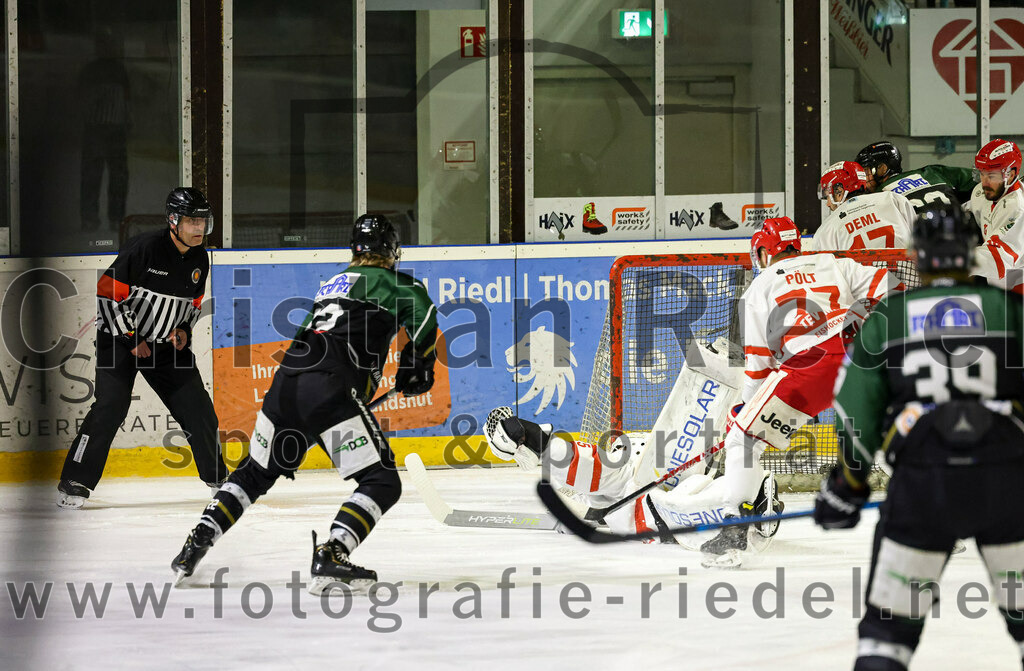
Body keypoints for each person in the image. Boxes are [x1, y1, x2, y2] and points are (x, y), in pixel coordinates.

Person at [485, 218, 903, 568]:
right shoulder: (831, 262)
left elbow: (756, 366)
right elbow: (891, 286)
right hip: (860, 361)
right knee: (875, 428)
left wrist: (745, 409)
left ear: (762, 254)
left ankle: (738, 527)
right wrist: (856, 325)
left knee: (741, 436)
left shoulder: (758, 290)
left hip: (805, 370)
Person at [170, 214, 438, 595]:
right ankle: (333, 553)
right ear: (392, 252)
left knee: (253, 474)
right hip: (329, 386)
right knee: (382, 481)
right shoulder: (396, 283)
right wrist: (419, 364)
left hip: (286, 384)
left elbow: (303, 338)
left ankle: (197, 540)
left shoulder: (330, 286)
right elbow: (425, 317)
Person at [813, 204, 1024, 671]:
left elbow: (854, 412)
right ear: (972, 254)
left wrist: (848, 485)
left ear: (917, 255)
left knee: (887, 637)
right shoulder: (1012, 311)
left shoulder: (889, 317)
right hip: (1010, 486)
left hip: (921, 488)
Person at [57, 187, 227, 509]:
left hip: (164, 348)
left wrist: (183, 330)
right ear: (173, 220)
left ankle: (219, 480)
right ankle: (74, 480)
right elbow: (107, 293)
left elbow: (192, 304)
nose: (199, 229)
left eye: (203, 221)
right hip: (120, 342)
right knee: (111, 406)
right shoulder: (145, 248)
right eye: (192, 221)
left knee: (199, 409)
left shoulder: (199, 259)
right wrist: (131, 338)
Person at [809, 161, 916, 252]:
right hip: (908, 275)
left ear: (839, 192)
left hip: (868, 277)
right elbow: (919, 240)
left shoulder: (826, 230)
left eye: (827, 197)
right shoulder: (894, 199)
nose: (828, 204)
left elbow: (828, 273)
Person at [855, 140, 975, 213]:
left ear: (882, 169)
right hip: (962, 234)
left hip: (920, 245)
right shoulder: (930, 172)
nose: (863, 179)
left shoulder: (877, 197)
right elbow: (977, 178)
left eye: (866, 172)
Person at [970, 139, 1024, 293]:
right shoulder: (982, 192)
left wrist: (951, 259)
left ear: (1011, 174)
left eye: (991, 175)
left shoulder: (1017, 208)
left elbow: (996, 259)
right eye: (981, 173)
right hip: (999, 287)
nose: (984, 182)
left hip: (1018, 287)